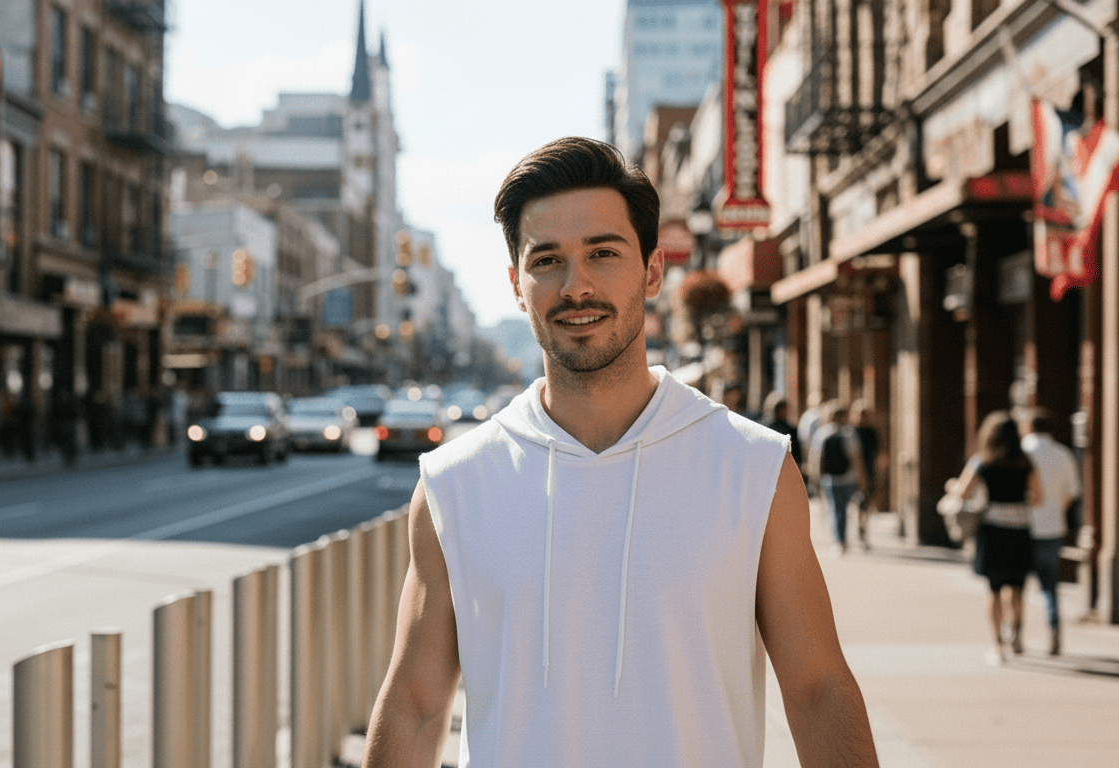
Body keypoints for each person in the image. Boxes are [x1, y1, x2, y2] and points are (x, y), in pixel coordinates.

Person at [364, 137, 876, 767]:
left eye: (603, 253)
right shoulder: (454, 486)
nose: (576, 286)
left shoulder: (752, 469)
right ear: (517, 286)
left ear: (652, 271)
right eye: (546, 260)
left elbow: (817, 689)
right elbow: (415, 706)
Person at [950, 410, 1042, 665]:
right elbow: (1038, 497)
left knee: (994, 588)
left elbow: (963, 492)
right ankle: (1017, 636)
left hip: (993, 530)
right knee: (1017, 588)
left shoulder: (982, 461)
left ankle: (997, 645)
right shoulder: (1026, 462)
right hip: (1021, 529)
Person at [1019, 410, 1080, 656]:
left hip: (1023, 526)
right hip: (1053, 527)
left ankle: (1015, 633)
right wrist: (1055, 510)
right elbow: (1072, 492)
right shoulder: (1063, 453)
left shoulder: (1021, 451)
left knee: (1017, 584)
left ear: (1028, 427)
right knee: (1050, 584)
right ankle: (1054, 631)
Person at [808, 402, 868, 554]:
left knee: (836, 509)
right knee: (847, 509)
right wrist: (862, 478)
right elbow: (856, 458)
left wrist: (815, 478)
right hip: (847, 478)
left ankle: (839, 541)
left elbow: (815, 458)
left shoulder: (822, 433)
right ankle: (846, 538)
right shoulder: (849, 433)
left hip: (829, 479)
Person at [849, 399, 880, 549]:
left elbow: (878, 452)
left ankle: (863, 528)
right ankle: (859, 527)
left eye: (865, 414)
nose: (863, 417)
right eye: (860, 414)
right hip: (853, 473)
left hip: (869, 470)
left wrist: (880, 470)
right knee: (857, 502)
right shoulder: (850, 431)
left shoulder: (872, 432)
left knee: (866, 503)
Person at [761, 390, 803, 470]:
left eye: (784, 409)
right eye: (780, 409)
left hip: (785, 467)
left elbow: (796, 452)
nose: (782, 412)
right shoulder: (764, 428)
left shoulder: (791, 430)